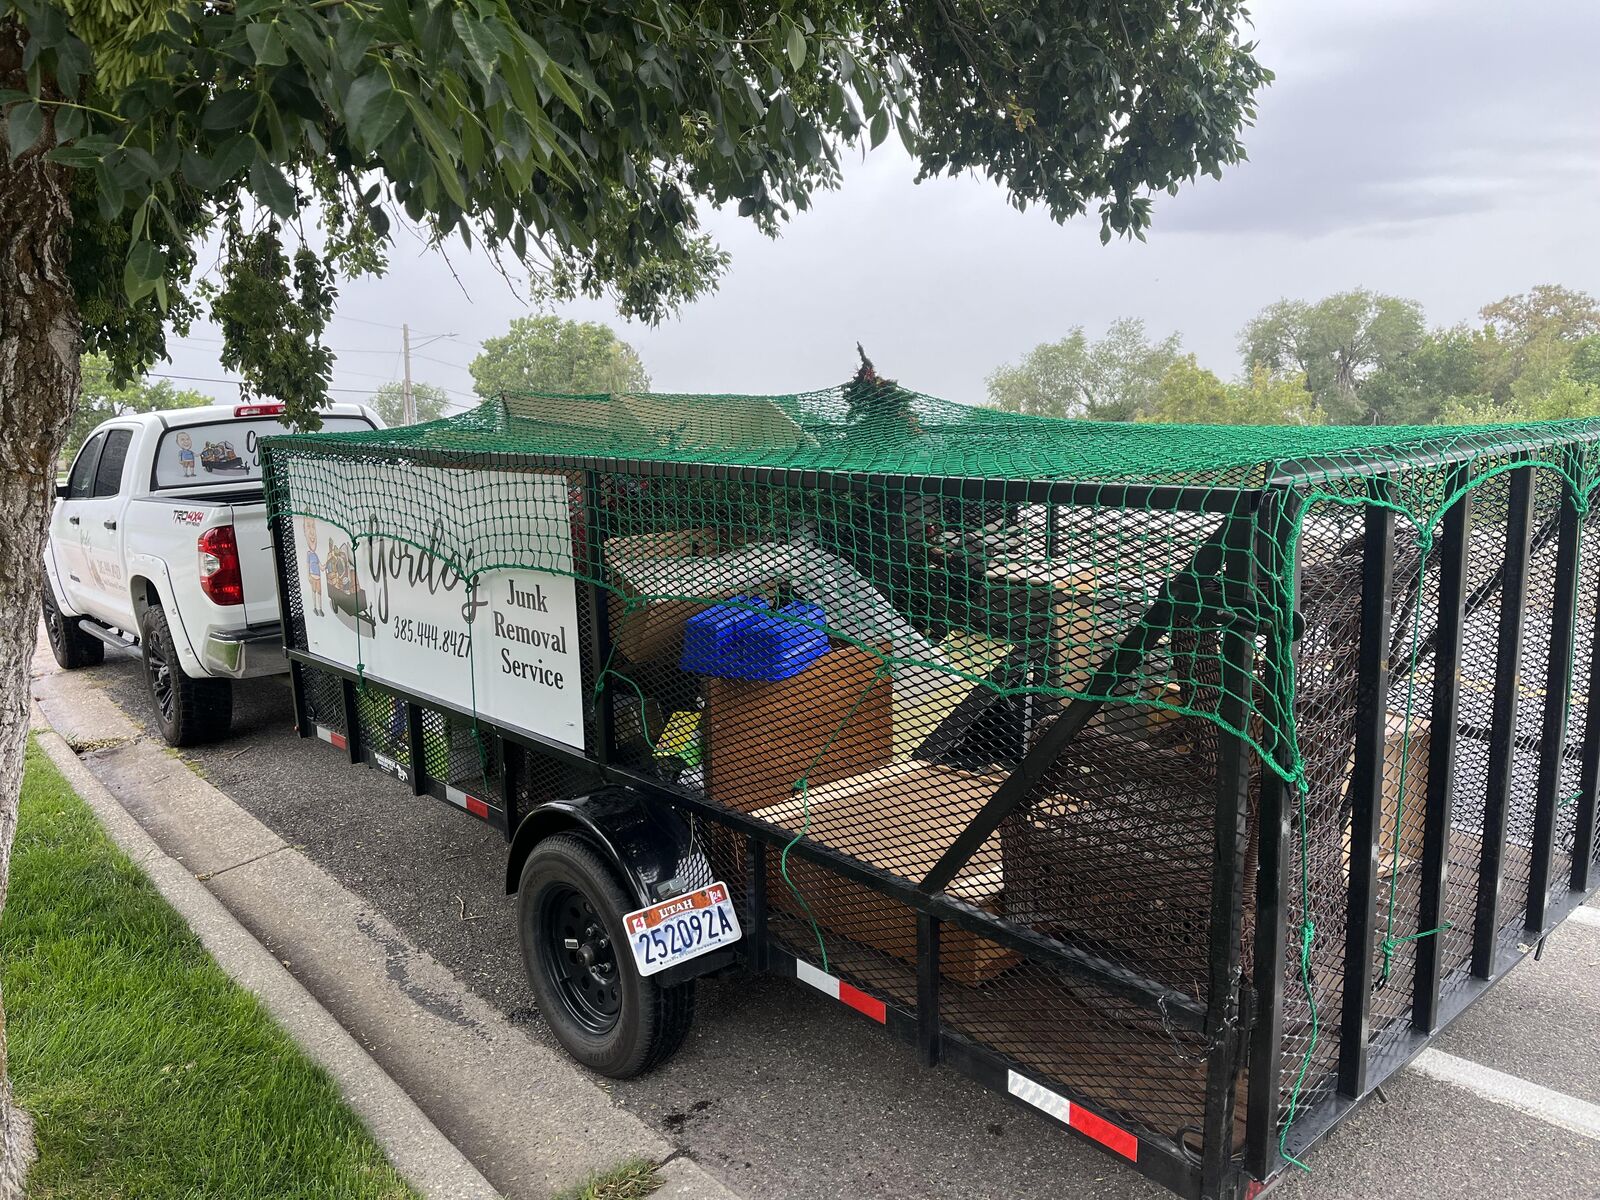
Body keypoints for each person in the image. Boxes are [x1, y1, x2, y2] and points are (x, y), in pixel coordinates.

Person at [303, 518, 324, 615]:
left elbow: (321, 567)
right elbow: (307, 565)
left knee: (319, 593)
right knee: (313, 592)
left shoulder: (316, 555)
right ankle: (315, 607)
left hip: (318, 577)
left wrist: (327, 563)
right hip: (312, 576)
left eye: (313, 526)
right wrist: (308, 576)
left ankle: (320, 609)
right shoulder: (309, 554)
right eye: (308, 526)